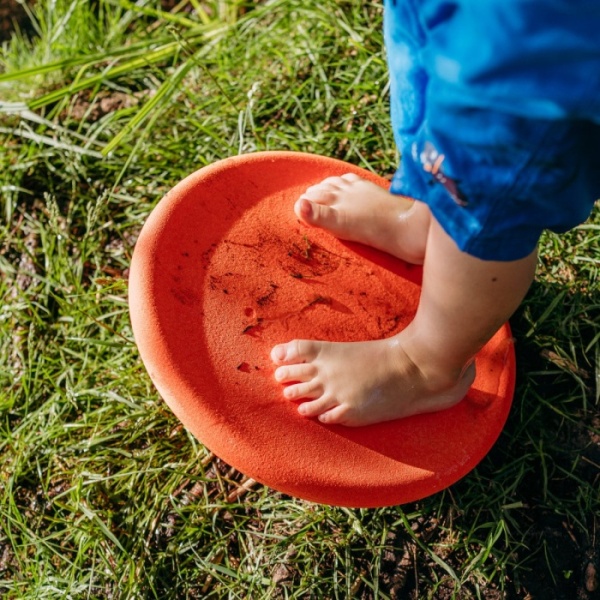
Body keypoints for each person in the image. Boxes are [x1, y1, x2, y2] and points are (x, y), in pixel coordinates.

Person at [270, 0, 600, 427]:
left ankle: (426, 365)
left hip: (541, 45)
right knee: (432, 70)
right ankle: (425, 220)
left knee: (488, 186)